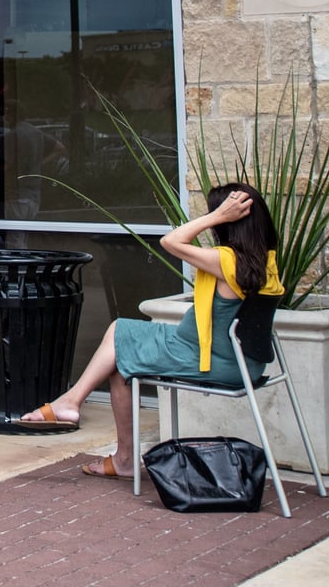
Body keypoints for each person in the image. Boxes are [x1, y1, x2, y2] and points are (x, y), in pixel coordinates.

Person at [17, 184, 281, 479]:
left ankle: (72, 405)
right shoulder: (265, 261)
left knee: (120, 332)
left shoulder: (227, 260)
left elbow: (171, 241)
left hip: (208, 358)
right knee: (121, 362)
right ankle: (121, 456)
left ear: (230, 221)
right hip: (242, 361)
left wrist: (216, 216)